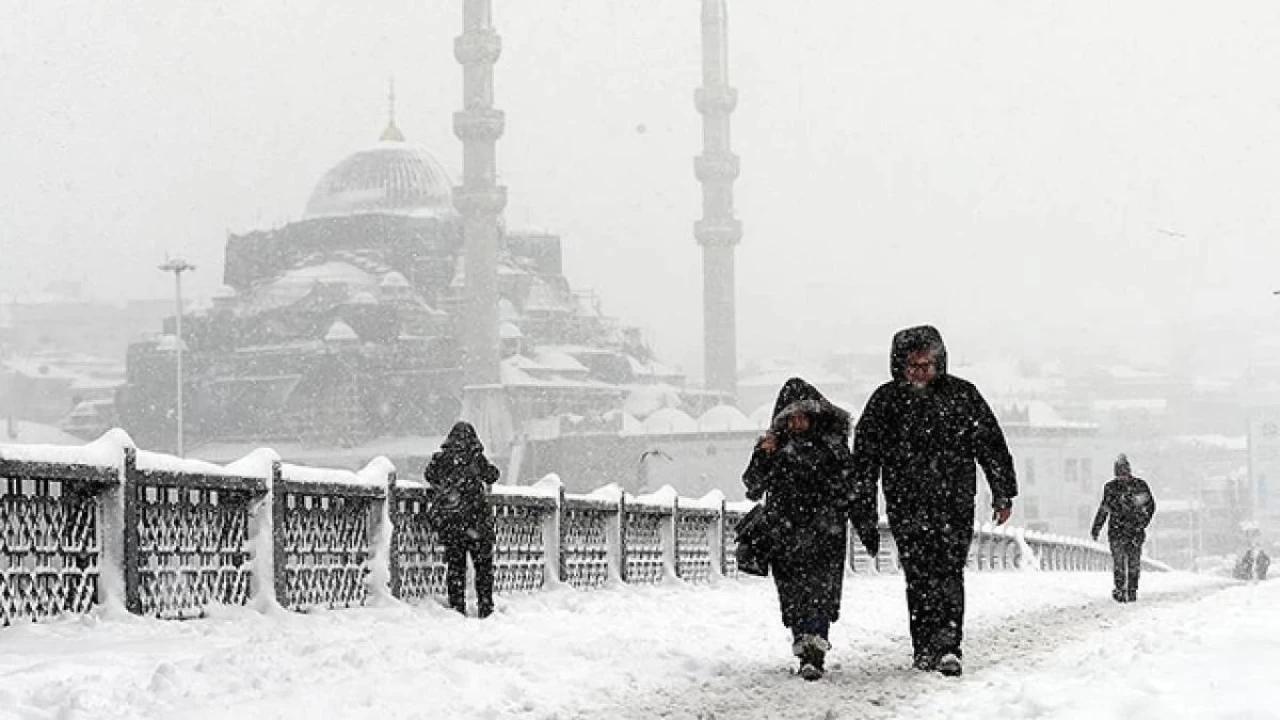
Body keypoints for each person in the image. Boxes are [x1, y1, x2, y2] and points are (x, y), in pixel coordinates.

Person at [850, 325, 1017, 677]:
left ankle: (948, 646)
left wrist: (1003, 492)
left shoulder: (962, 396)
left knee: (948, 572)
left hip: (953, 503)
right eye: (914, 366)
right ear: (901, 366)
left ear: (939, 362)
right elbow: (864, 460)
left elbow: (991, 445)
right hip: (906, 504)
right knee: (919, 575)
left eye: (927, 364)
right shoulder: (886, 402)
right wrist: (863, 509)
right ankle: (924, 647)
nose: (921, 372)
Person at [742, 377, 873, 681]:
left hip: (824, 533)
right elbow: (752, 486)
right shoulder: (776, 448)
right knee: (793, 593)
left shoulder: (833, 448)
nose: (798, 423)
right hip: (786, 533)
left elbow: (852, 489)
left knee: (820, 593)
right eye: (792, 417)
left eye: (803, 415)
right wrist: (764, 453)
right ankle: (804, 642)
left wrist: (865, 525)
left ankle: (813, 648)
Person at [423, 421, 501, 618]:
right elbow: (492, 475)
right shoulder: (476, 459)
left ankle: (457, 608)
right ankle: (486, 607)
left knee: (456, 568)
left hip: (453, 524)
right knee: (483, 568)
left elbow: (429, 475)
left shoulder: (442, 459)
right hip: (477, 522)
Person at [1090, 453, 1156, 603]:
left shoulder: (1138, 486)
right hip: (1119, 532)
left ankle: (1131, 590)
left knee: (1133, 562)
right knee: (1119, 562)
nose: (1122, 478)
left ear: (1128, 472)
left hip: (1132, 531)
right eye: (1119, 474)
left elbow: (1150, 506)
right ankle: (1120, 589)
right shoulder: (1112, 488)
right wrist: (1096, 527)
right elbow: (1104, 509)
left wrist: (1142, 523)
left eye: (1123, 474)